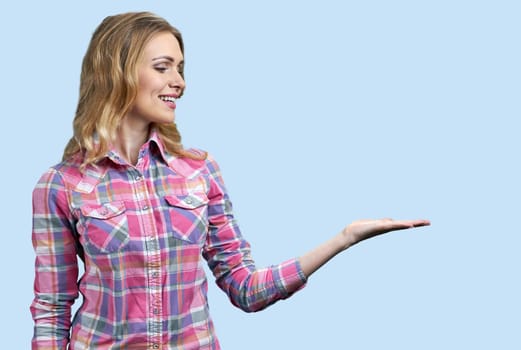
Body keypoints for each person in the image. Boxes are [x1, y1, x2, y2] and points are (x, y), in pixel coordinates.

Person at [30, 11, 430, 349]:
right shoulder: (61, 185)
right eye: (163, 67)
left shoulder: (199, 172)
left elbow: (245, 288)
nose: (179, 82)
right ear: (116, 72)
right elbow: (52, 309)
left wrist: (344, 238)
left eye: (181, 69)